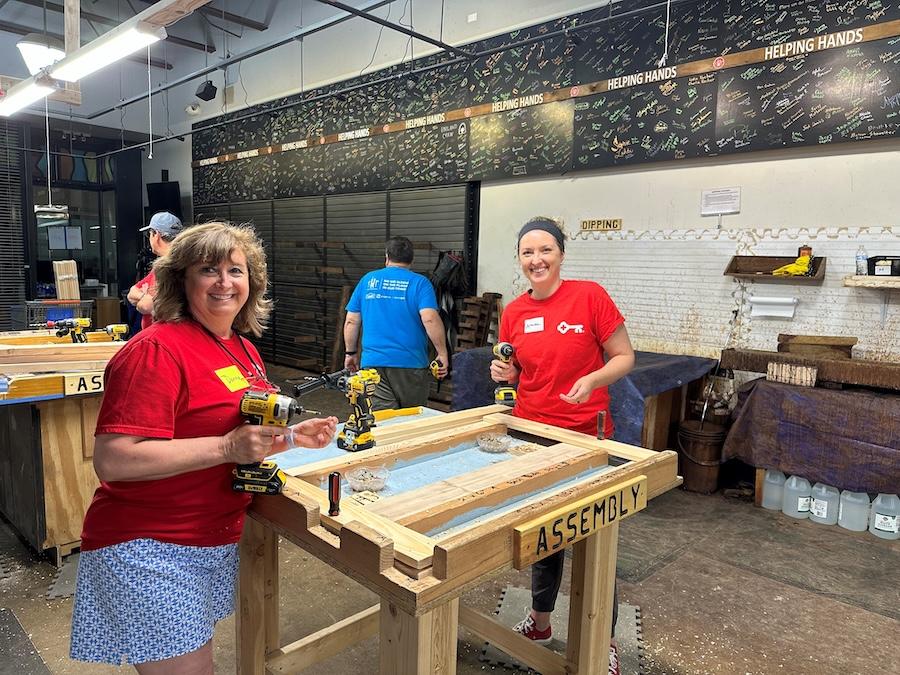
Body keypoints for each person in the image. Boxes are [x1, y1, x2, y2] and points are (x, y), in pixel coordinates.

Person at [70, 221, 338, 672]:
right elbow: (113, 459)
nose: (224, 282)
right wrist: (225, 448)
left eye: (236, 270)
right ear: (181, 280)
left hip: (210, 542)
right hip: (151, 545)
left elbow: (238, 433)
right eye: (208, 269)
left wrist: (291, 437)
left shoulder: (242, 350)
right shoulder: (155, 350)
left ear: (252, 283)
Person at [490, 216, 635, 675]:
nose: (537, 259)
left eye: (545, 250)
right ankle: (539, 622)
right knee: (543, 536)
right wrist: (505, 375)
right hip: (533, 435)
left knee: (595, 540)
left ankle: (603, 640)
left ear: (561, 254)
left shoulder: (589, 296)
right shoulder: (513, 312)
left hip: (585, 436)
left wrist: (591, 378)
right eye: (528, 252)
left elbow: (625, 356)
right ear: (520, 259)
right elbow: (517, 370)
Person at [343, 235, 449, 410]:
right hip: (411, 364)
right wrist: (442, 353)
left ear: (387, 256)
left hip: (373, 364)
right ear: (412, 259)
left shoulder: (368, 280)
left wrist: (350, 353)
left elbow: (351, 321)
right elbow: (430, 318)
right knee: (411, 420)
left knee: (381, 420)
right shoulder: (420, 283)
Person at [126, 211, 183, 331]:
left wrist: (145, 300)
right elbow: (132, 293)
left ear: (156, 235)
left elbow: (146, 305)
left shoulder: (173, 266)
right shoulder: (160, 266)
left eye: (149, 234)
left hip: (167, 338)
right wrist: (144, 297)